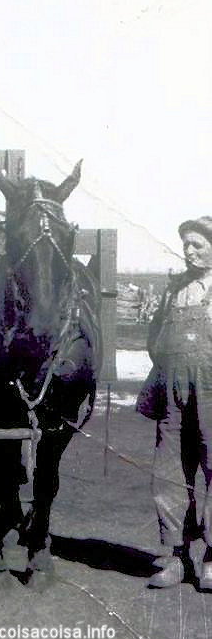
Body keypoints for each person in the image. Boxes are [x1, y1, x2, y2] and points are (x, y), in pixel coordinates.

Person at [137, 216, 212, 588]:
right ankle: (177, 558)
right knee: (168, 473)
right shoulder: (173, 291)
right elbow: (155, 339)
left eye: (198, 244)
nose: (189, 250)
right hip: (174, 396)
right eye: (186, 244)